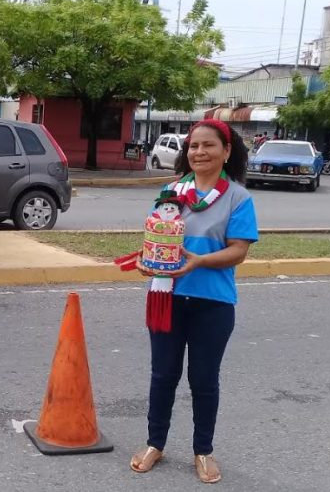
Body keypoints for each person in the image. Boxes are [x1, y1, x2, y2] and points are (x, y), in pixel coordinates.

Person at [130, 119, 258, 484]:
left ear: (227, 150)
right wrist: (147, 260)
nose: (199, 152)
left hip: (212, 303)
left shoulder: (238, 197)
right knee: (162, 375)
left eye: (208, 145)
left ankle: (203, 450)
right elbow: (158, 235)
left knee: (203, 380)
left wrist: (198, 261)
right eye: (193, 146)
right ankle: (155, 443)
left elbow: (238, 252)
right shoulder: (171, 190)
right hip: (166, 296)